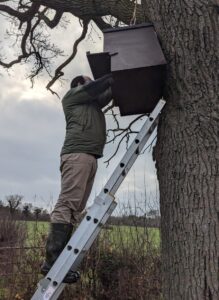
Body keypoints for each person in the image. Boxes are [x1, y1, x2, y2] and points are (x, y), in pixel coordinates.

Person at [41, 73, 114, 283]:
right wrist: (110, 75)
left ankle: (60, 263)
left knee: (76, 208)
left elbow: (107, 93)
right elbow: (99, 86)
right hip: (77, 154)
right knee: (67, 203)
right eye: (88, 80)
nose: (92, 82)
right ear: (80, 85)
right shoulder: (72, 96)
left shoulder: (93, 104)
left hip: (90, 157)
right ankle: (51, 263)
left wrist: (120, 80)